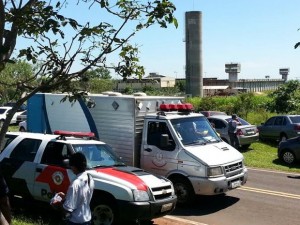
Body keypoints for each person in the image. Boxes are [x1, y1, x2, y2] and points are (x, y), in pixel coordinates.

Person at [51, 152, 94, 225]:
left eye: (71, 166)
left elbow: (67, 210)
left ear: (74, 167)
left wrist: (57, 203)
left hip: (75, 221)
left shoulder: (75, 183)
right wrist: (66, 197)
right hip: (87, 219)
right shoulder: (89, 177)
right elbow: (82, 198)